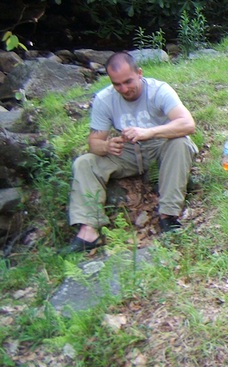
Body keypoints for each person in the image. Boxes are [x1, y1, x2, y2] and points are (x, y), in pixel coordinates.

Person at [62, 51, 198, 254]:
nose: (124, 89)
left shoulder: (159, 90)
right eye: (117, 84)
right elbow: (93, 143)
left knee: (181, 143)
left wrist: (149, 131)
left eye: (128, 81)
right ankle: (89, 231)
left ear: (139, 73)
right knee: (84, 162)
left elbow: (188, 124)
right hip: (127, 152)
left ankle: (168, 216)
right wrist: (106, 146)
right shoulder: (104, 99)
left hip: (159, 145)